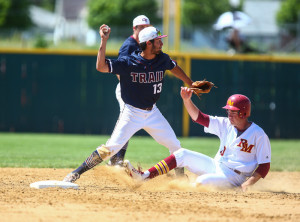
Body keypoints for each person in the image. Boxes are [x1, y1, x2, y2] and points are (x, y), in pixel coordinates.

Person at [63, 25, 193, 183]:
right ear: (148, 43)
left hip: (152, 113)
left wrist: (189, 81)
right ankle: (76, 173)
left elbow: (174, 67)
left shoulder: (162, 59)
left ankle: (181, 179)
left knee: (175, 145)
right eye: (158, 40)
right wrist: (103, 41)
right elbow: (101, 66)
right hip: (132, 113)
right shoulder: (129, 62)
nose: (161, 43)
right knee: (110, 149)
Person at [124, 90, 271, 192]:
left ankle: (185, 191)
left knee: (202, 182)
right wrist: (187, 100)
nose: (229, 114)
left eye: (232, 112)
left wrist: (247, 184)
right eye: (228, 111)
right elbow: (199, 118)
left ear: (243, 113)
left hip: (235, 177)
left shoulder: (258, 134)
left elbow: (264, 165)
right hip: (216, 165)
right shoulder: (225, 123)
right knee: (181, 154)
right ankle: (144, 176)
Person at [109, 15, 151, 166]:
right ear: (135, 28)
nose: (144, 30)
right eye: (141, 28)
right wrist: (132, 88)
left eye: (147, 27)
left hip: (139, 92)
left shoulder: (147, 43)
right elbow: (120, 70)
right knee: (126, 124)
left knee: (127, 125)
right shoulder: (129, 45)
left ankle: (115, 160)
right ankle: (115, 159)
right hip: (127, 90)